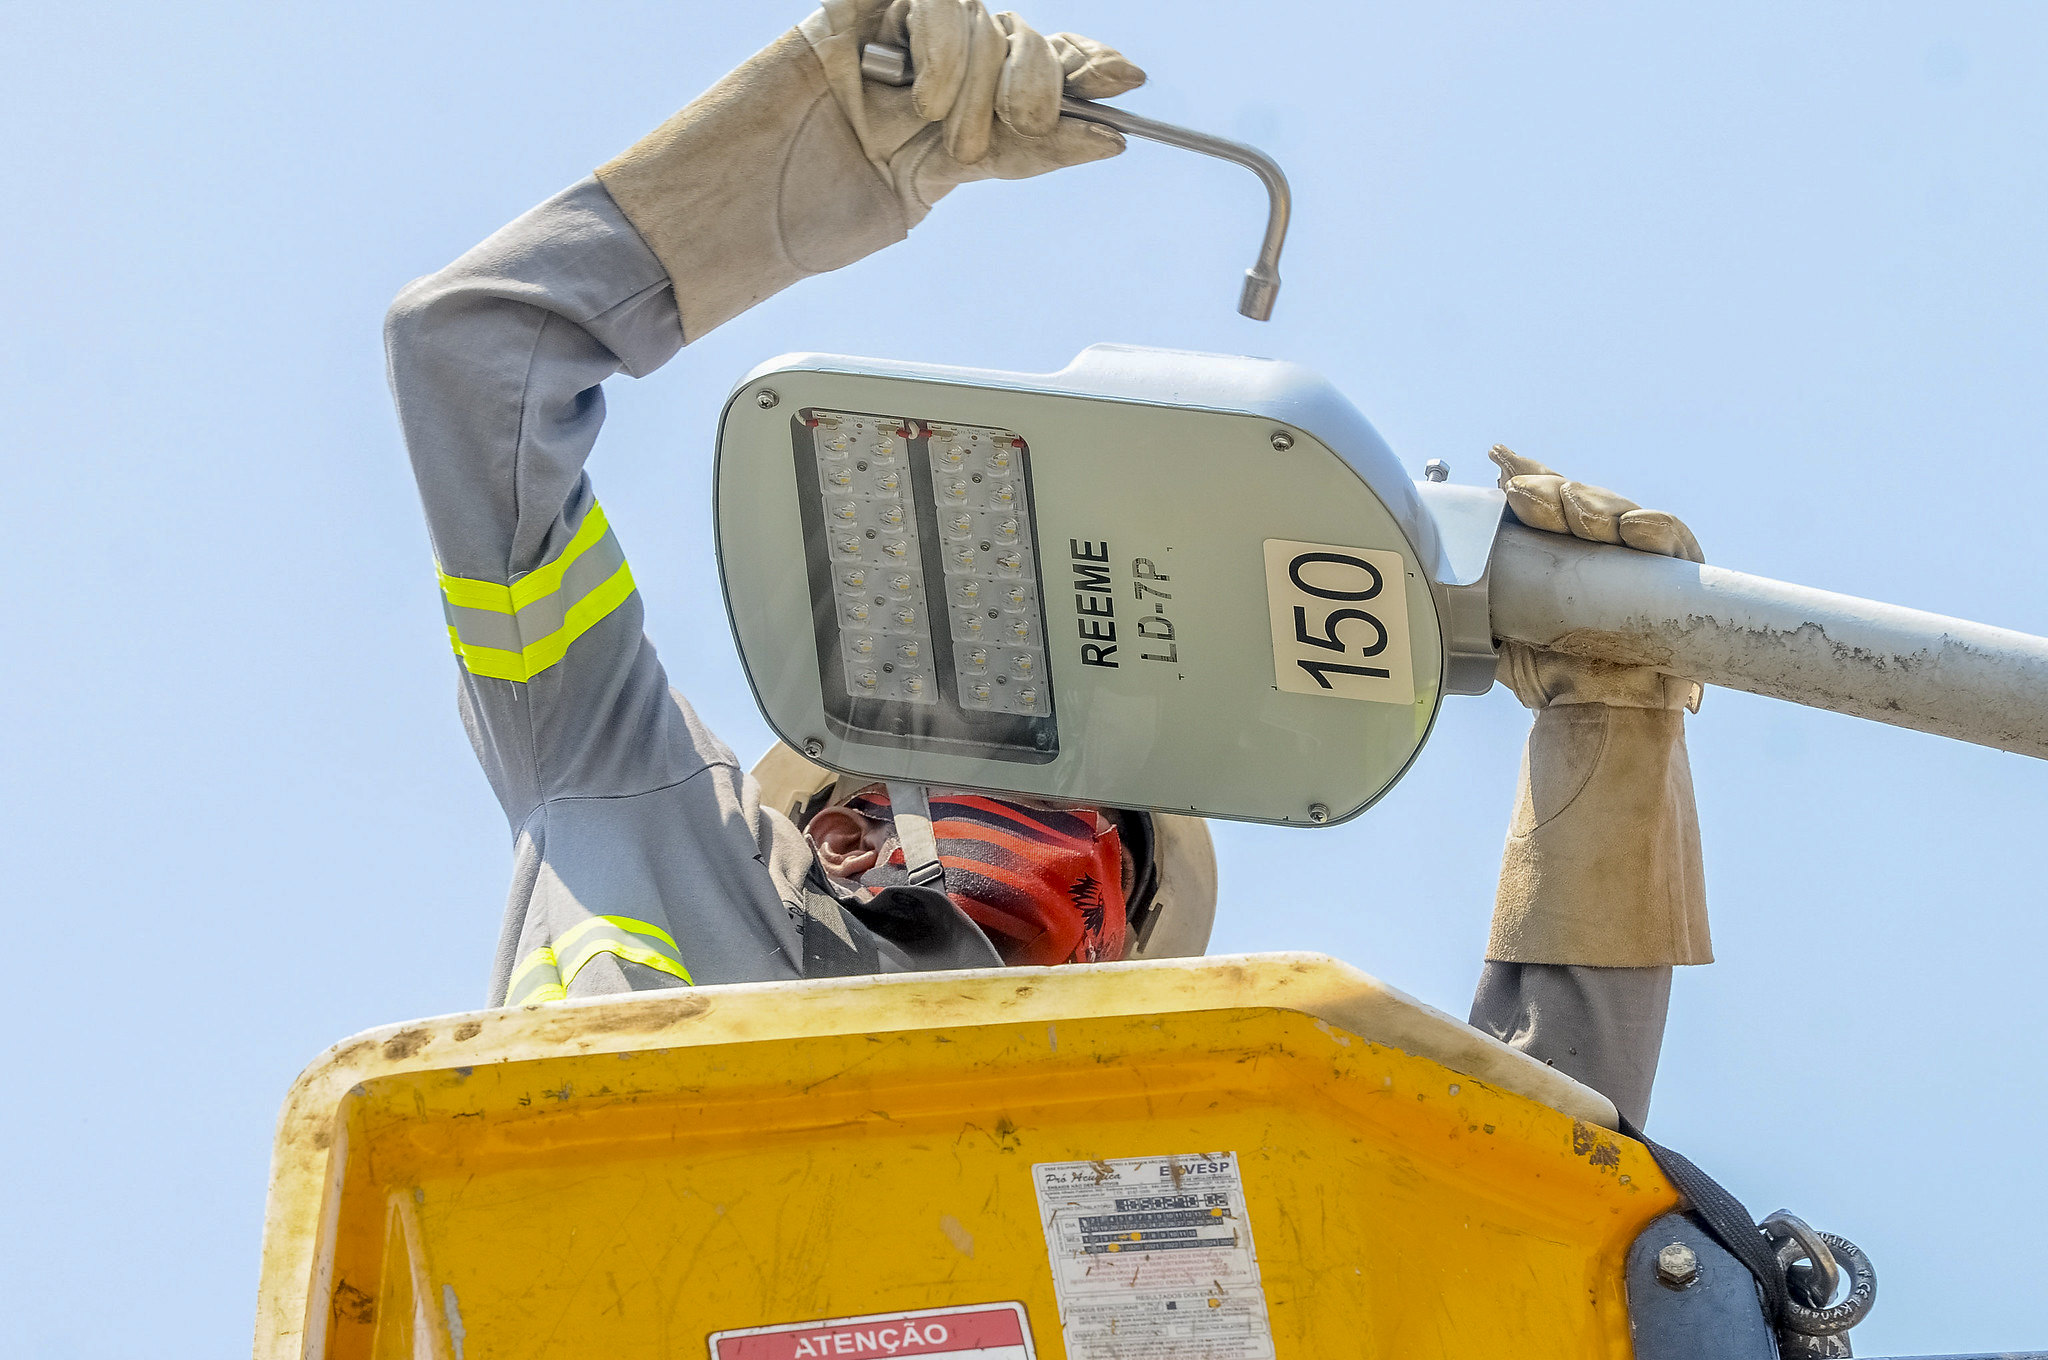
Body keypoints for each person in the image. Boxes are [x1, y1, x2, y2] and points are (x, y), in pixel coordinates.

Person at [384, 0, 1710, 1128]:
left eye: (1123, 868)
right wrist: (852, 135)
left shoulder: (1152, 1181)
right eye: (1062, 791)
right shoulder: (646, 822)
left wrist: (1613, 726)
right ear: (844, 830)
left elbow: (1538, 1192)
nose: (1101, 879)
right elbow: (475, 359)